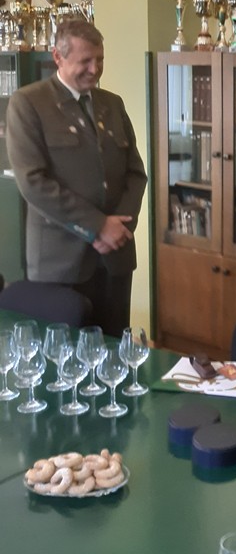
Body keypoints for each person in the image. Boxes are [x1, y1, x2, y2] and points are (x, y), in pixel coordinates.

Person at [7, 17, 147, 337]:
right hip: (60, 262)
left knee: (115, 348)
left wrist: (120, 228)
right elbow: (33, 182)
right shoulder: (28, 103)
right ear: (58, 57)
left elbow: (135, 173)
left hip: (115, 257)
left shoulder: (112, 104)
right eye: (85, 61)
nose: (95, 69)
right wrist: (98, 226)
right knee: (63, 354)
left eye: (100, 60)